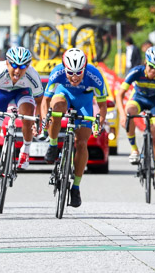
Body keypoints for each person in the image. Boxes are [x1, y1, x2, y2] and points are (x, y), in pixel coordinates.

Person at [41, 48, 107, 208]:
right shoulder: (57, 72)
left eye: (79, 73)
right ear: (65, 68)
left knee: (82, 143)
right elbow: (45, 102)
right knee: (56, 107)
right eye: (70, 73)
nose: (75, 77)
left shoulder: (95, 75)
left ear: (85, 68)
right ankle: (53, 144)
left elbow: (102, 105)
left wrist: (100, 123)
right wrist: (45, 120)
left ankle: (76, 187)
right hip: (64, 95)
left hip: (84, 101)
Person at [0, 47, 43, 200]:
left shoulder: (32, 76)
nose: (18, 70)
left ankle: (26, 149)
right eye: (14, 65)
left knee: (27, 115)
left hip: (22, 92)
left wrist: (39, 120)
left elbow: (40, 101)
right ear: (7, 63)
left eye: (22, 66)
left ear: (27, 66)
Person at [116, 45, 155, 188]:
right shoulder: (136, 71)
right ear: (146, 63)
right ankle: (134, 149)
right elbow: (119, 95)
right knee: (129, 113)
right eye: (152, 67)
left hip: (154, 103)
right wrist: (123, 116)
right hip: (138, 99)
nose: (154, 71)